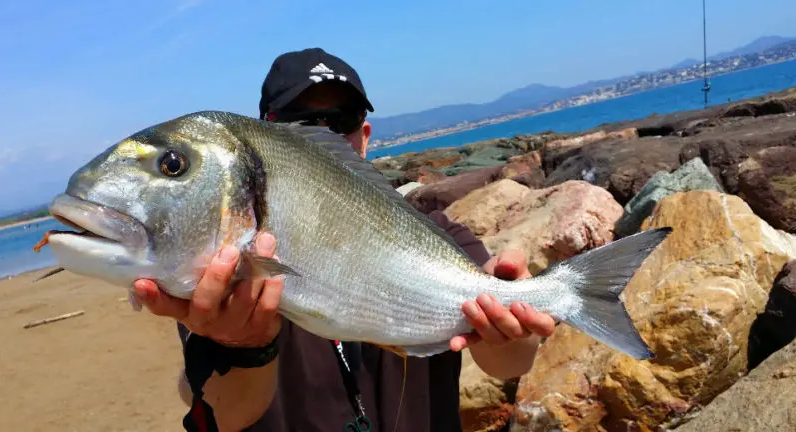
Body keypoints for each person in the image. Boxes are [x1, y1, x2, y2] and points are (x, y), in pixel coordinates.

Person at [131, 48, 556, 432]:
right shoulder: (232, 263)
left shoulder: (440, 232)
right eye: (302, 124)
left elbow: (510, 363)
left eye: (343, 121)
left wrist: (514, 329)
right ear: (266, 144)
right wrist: (239, 346)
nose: (326, 135)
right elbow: (224, 415)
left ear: (365, 136)